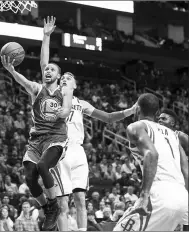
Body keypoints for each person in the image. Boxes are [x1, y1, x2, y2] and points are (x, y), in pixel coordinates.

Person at [40, 16, 137, 231]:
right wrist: (46, 37)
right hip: (59, 150)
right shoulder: (53, 94)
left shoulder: (81, 103)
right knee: (63, 203)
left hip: (78, 151)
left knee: (81, 200)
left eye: (69, 76)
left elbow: (109, 118)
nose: (64, 77)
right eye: (62, 76)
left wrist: (129, 111)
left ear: (75, 84)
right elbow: (45, 65)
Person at [1, 16, 74, 230]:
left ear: (59, 76)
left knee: (43, 166)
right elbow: (26, 75)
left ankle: (54, 205)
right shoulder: (36, 89)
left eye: (53, 69)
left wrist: (64, 111)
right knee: (29, 176)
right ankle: (48, 207)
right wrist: (12, 71)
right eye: (47, 69)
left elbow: (67, 108)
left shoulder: (64, 91)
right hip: (36, 140)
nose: (48, 70)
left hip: (56, 138)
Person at [113, 93, 188, 231]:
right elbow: (186, 171)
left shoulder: (136, 127)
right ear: (157, 112)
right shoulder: (173, 135)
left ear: (137, 109)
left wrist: (143, 196)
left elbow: (152, 154)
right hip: (182, 196)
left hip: (160, 194)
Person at [158, 108, 188, 231]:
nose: (159, 120)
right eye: (158, 118)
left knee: (185, 220)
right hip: (165, 183)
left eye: (163, 118)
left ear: (173, 123)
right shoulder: (157, 136)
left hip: (182, 183)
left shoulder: (179, 136)